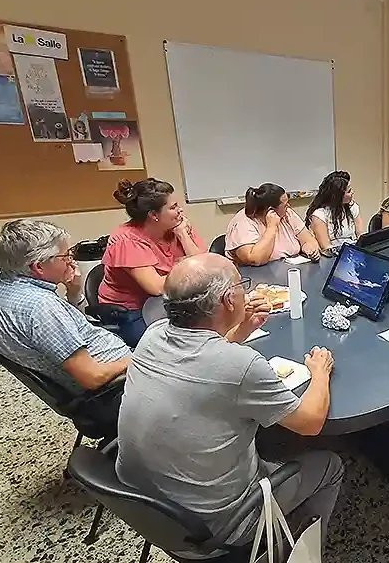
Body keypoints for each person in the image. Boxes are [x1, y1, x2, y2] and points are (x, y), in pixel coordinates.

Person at [116, 253, 343, 559]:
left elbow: (204, 363)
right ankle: (299, 552)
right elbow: (311, 423)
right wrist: (319, 372)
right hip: (218, 523)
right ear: (227, 300)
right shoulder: (242, 365)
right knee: (330, 465)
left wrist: (240, 330)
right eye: (241, 286)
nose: (245, 292)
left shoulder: (153, 334)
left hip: (145, 507)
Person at [0, 220, 131, 424]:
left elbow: (73, 327)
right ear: (38, 266)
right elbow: (93, 377)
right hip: (115, 391)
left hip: (101, 381)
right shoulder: (41, 307)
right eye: (65, 256)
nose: (71, 261)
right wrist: (135, 360)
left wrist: (74, 292)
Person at [99, 178, 204, 347]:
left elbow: (204, 265)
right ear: (154, 215)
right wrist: (185, 264)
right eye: (173, 207)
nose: (180, 211)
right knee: (173, 347)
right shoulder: (125, 239)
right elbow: (156, 287)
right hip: (131, 310)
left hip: (170, 300)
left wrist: (183, 236)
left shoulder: (177, 226)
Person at [226, 183, 321, 267]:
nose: (289, 207)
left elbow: (308, 240)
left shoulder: (287, 214)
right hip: (255, 278)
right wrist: (271, 227)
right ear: (270, 210)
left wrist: (309, 249)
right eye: (285, 205)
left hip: (289, 271)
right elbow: (256, 259)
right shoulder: (242, 223)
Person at [306, 171, 363, 250]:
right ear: (338, 196)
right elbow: (326, 247)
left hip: (351, 251)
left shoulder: (352, 207)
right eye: (349, 191)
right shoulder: (319, 215)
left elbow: (361, 236)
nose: (352, 193)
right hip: (334, 255)